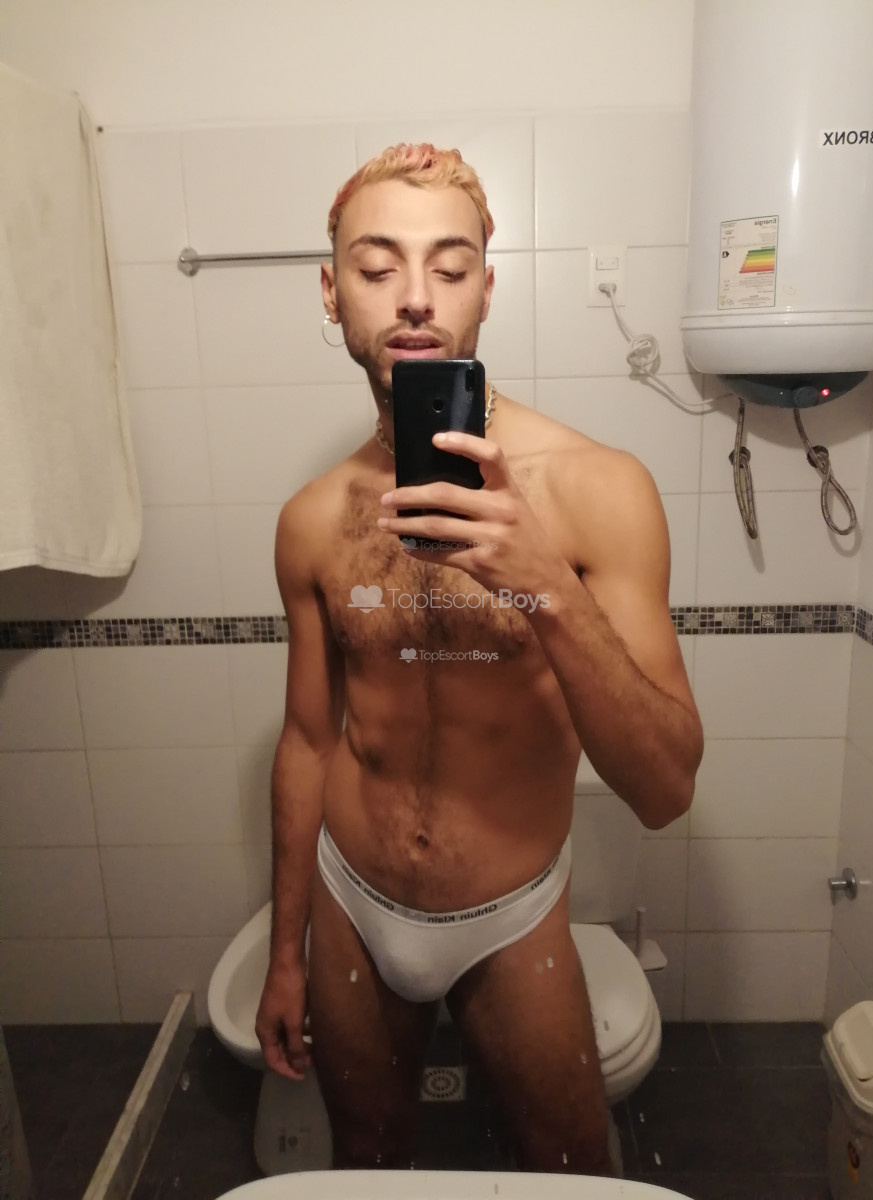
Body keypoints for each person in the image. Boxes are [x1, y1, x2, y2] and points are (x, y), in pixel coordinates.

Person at [255, 142, 704, 1176]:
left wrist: (546, 583)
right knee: (368, 1160)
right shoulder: (311, 522)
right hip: (353, 902)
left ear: (487, 291)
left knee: (571, 1168)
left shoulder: (599, 490)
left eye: (450, 267)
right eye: (377, 267)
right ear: (331, 293)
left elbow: (667, 789)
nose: (415, 296)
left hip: (512, 913)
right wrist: (286, 953)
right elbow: (308, 742)